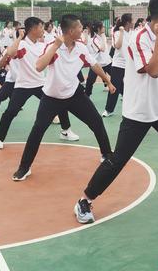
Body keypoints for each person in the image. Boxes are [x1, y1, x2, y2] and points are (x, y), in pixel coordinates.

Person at [74, 0, 158, 225]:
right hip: (138, 112)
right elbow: (152, 70)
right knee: (118, 160)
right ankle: (84, 200)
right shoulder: (139, 38)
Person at [12, 14, 116, 181]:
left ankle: (107, 154)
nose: (83, 30)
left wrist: (107, 80)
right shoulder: (53, 47)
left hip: (74, 94)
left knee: (96, 121)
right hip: (51, 97)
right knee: (37, 131)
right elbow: (39, 66)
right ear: (71, 30)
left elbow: (94, 65)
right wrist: (56, 46)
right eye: (80, 28)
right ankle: (24, 167)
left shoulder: (81, 47)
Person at [0, 17, 78, 150]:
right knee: (11, 111)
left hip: (41, 84)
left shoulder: (42, 45)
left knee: (60, 105)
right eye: (41, 27)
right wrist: (19, 37)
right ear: (33, 29)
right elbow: (10, 53)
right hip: (23, 85)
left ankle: (66, 131)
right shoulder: (21, 45)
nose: (43, 30)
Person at [102, 13, 133, 118]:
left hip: (130, 65)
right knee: (115, 87)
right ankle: (108, 109)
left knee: (129, 87)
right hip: (118, 64)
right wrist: (121, 32)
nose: (133, 22)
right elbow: (118, 46)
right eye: (132, 21)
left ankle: (133, 107)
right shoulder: (117, 33)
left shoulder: (133, 33)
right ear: (128, 22)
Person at [85, 21, 112, 97]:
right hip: (97, 64)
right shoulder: (94, 40)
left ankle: (125, 94)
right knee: (90, 82)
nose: (104, 28)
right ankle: (87, 96)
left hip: (107, 63)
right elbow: (102, 49)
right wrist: (103, 38)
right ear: (98, 29)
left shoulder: (102, 36)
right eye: (103, 27)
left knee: (117, 79)